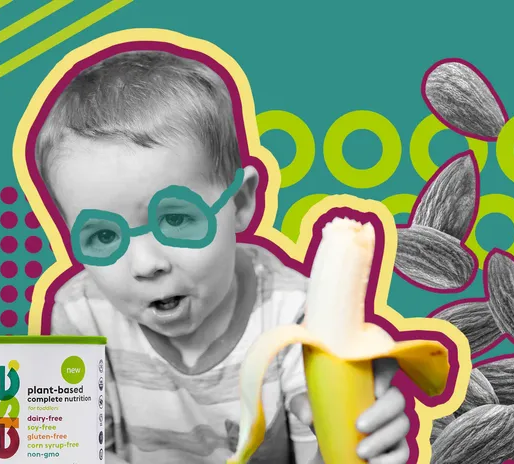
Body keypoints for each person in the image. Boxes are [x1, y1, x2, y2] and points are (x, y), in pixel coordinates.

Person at [35, 49, 410, 463]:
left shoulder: (295, 316)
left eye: (175, 220)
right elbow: (74, 452)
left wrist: (356, 440)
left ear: (242, 202)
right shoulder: (80, 313)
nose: (146, 264)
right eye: (104, 235)